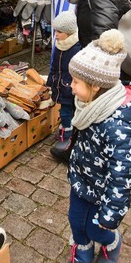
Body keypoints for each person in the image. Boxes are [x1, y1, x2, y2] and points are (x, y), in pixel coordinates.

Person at [58, 29, 131, 263]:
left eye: (76, 82)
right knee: (77, 222)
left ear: (96, 86)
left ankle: (112, 244)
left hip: (104, 190)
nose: (71, 86)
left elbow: (122, 176)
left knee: (97, 228)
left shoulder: (118, 128)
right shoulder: (89, 106)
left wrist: (111, 213)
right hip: (82, 180)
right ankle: (83, 256)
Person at [48, 11, 82, 162]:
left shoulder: (76, 48)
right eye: (55, 31)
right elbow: (54, 65)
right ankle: (67, 130)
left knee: (66, 113)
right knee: (65, 111)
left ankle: (67, 136)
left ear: (69, 33)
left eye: (59, 32)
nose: (56, 34)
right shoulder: (59, 45)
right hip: (60, 85)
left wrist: (72, 85)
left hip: (70, 88)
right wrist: (51, 81)